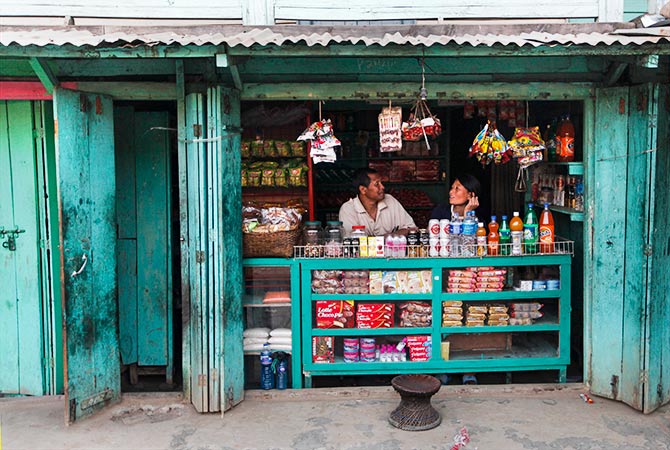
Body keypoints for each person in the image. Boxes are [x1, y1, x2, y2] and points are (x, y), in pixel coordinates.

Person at [432, 173, 482, 386]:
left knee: (467, 317)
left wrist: (469, 215)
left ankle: (468, 368)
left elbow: (470, 249)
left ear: (471, 195)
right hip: (443, 272)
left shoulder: (480, 214)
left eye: (458, 189)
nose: (451, 192)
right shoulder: (440, 212)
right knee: (444, 317)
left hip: (468, 274)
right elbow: (442, 243)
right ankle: (442, 365)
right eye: (452, 188)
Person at [338, 167, 416, 237]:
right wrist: (390, 237)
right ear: (363, 189)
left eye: (381, 183)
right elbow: (353, 241)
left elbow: (412, 229)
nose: (382, 187)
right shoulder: (348, 209)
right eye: (377, 184)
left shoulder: (390, 200)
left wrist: (387, 237)